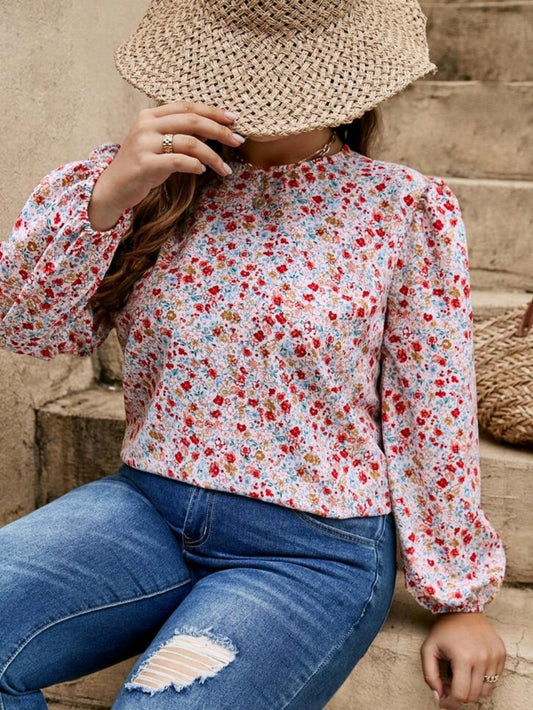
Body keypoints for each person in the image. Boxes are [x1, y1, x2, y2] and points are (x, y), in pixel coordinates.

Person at [0, 1, 507, 709]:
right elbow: (31, 333)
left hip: (310, 549)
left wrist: (458, 597)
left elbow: (433, 407)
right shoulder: (141, 184)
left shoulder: (402, 207)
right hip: (145, 508)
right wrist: (107, 197)